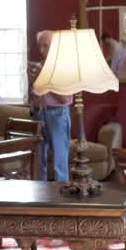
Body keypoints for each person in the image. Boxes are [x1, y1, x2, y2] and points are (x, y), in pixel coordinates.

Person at [29, 29, 73, 181]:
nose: (41, 50)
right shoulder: (40, 66)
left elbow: (64, 98)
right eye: (40, 46)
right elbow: (35, 94)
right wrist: (33, 79)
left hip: (57, 114)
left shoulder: (64, 68)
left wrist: (45, 80)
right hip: (39, 114)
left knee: (59, 162)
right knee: (38, 158)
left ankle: (61, 200)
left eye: (46, 46)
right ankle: (40, 197)